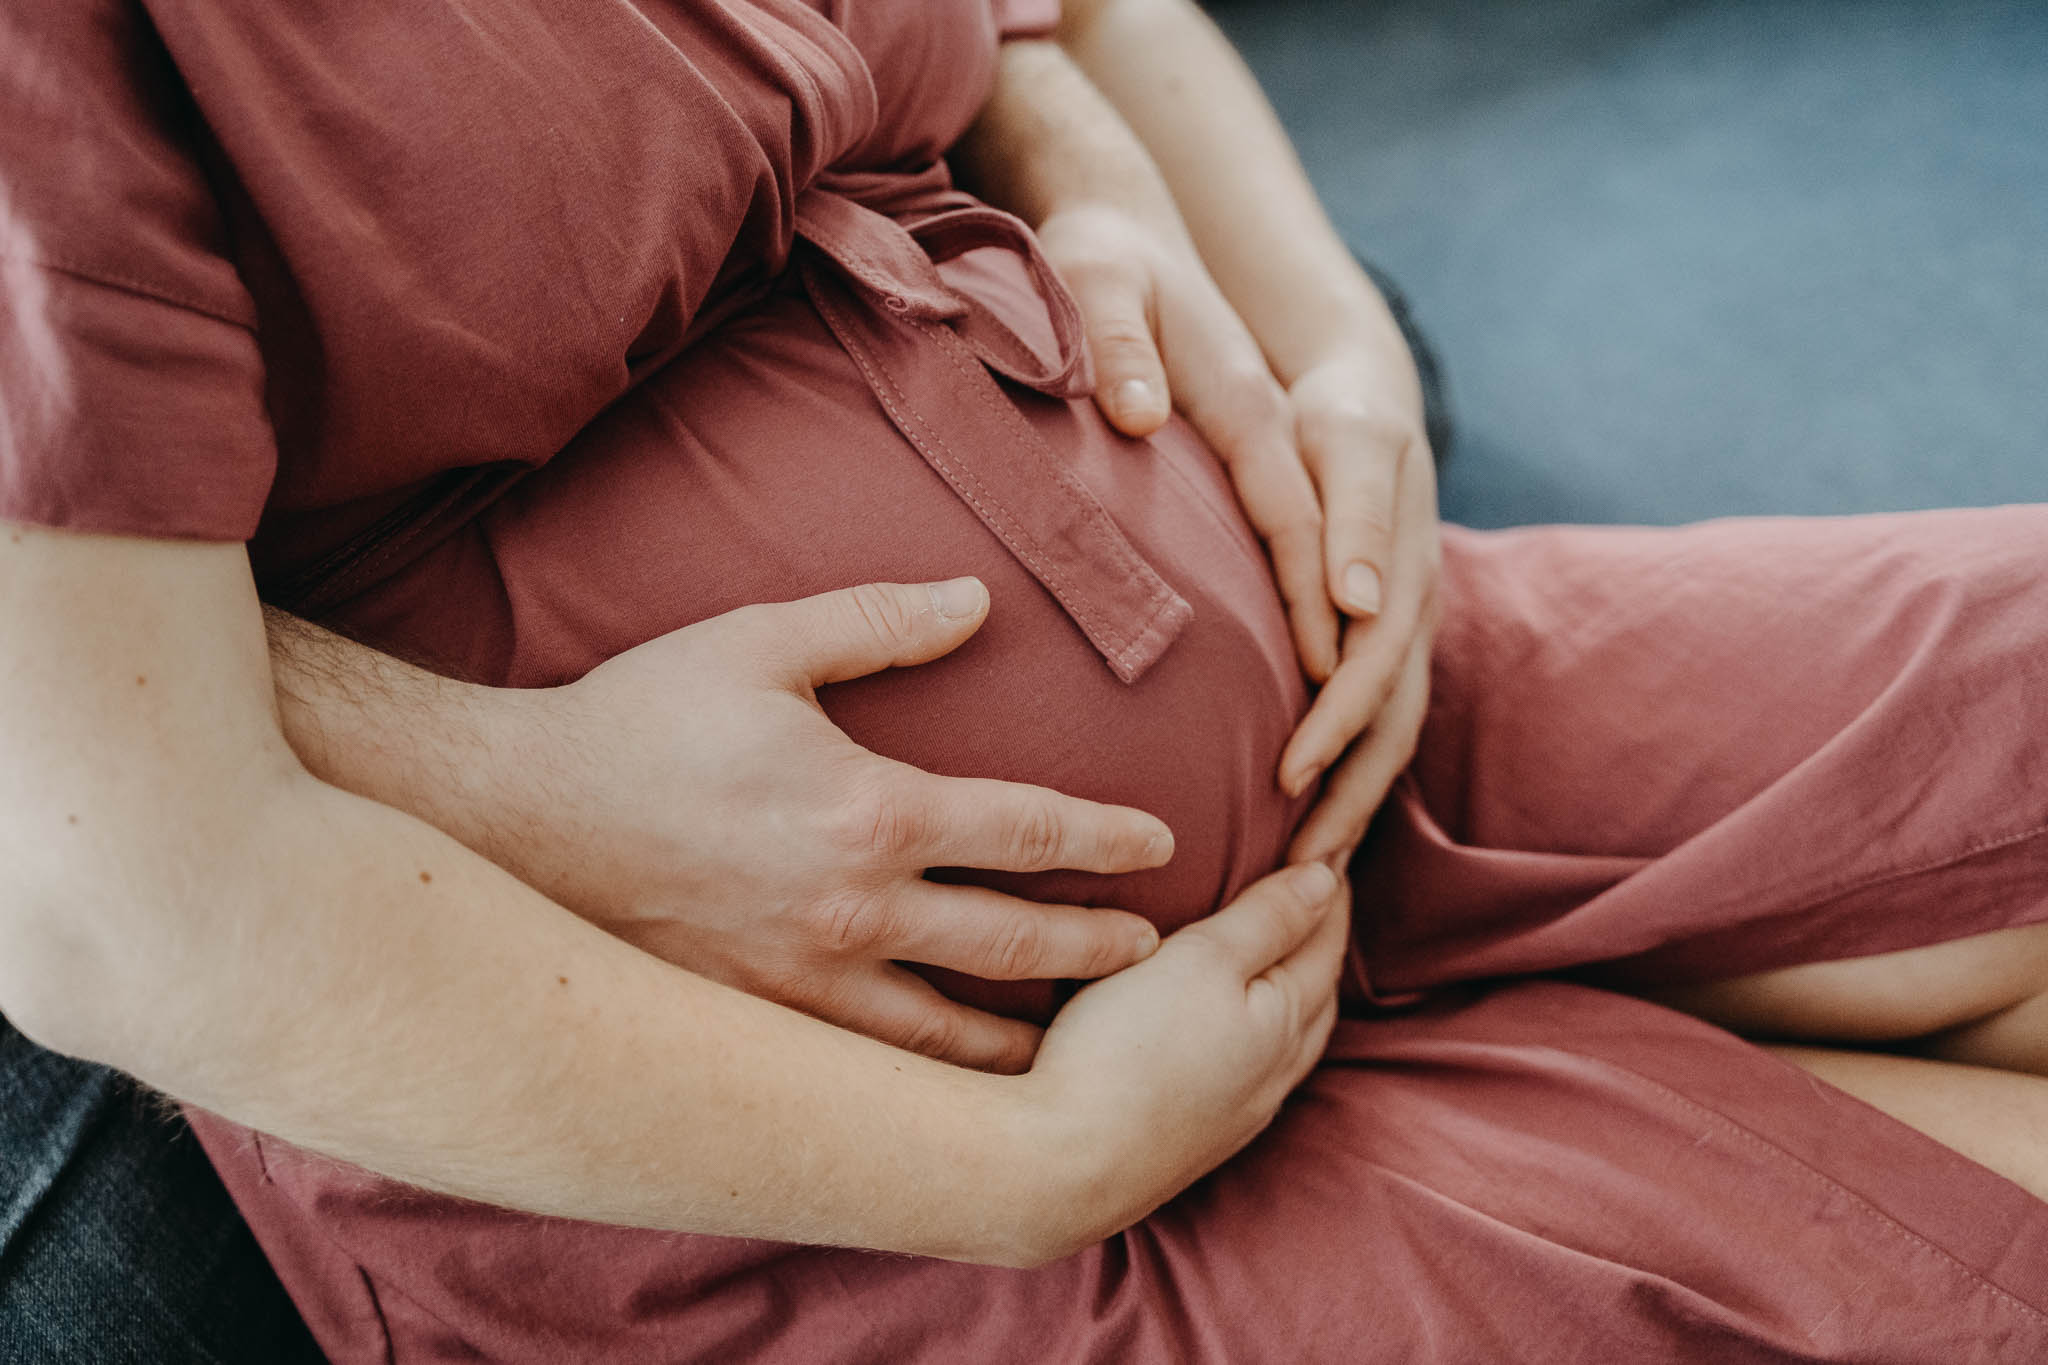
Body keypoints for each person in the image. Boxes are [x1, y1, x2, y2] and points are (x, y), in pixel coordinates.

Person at [2, 1, 2045, 1361]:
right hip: (849, 1160)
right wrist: (1023, 1172)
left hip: (1352, 691)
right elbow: (133, 908)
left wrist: (1319, 339)